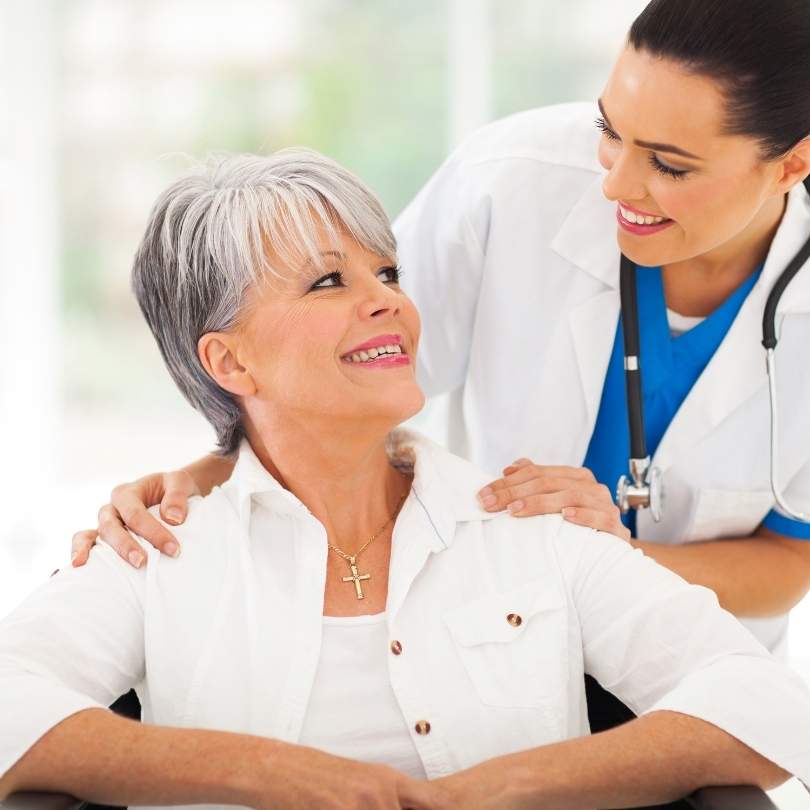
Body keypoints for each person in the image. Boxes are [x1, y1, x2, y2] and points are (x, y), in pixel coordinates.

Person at [72, 0, 810, 727]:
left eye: (670, 165)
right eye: (609, 131)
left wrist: (607, 560)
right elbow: (339, 372)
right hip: (491, 646)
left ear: (791, 164)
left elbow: (790, 558)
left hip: (687, 670)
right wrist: (211, 476)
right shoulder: (512, 182)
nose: (615, 184)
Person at [2, 150, 810, 808]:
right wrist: (265, 773)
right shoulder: (156, 549)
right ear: (231, 361)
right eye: (328, 281)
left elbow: (765, 703)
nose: (387, 302)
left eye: (387, 274)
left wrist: (501, 789)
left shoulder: (529, 523)